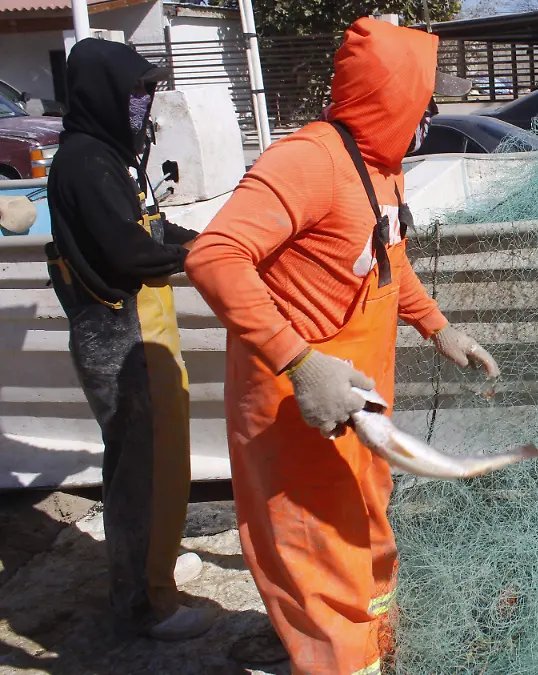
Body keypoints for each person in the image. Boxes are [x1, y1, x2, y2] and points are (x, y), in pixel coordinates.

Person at [185, 18, 498, 674]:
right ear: (390, 99)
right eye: (424, 102)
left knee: (364, 528)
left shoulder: (383, 168)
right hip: (298, 404)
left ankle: (370, 641)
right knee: (316, 546)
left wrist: (438, 327)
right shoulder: (308, 161)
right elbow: (214, 256)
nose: (430, 117)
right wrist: (299, 361)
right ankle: (341, 661)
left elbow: (388, 258)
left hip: (361, 399)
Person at [45, 38, 213, 641]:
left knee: (159, 460)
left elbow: (151, 227)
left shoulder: (111, 157)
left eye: (148, 92)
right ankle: (146, 603)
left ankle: (151, 566)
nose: (144, 105)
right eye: (136, 93)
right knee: (144, 467)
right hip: (118, 334)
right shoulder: (85, 163)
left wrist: (201, 239)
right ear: (104, 95)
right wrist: (199, 259)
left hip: (142, 326)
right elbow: (129, 251)